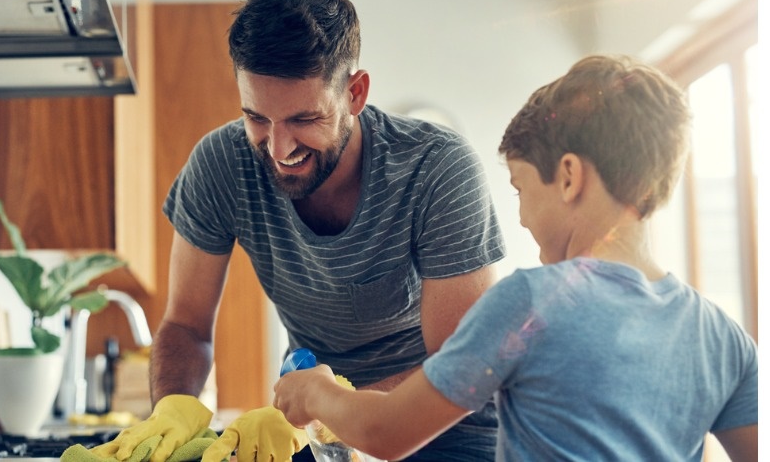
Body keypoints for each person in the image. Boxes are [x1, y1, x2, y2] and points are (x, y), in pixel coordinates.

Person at [92, 0, 505, 462]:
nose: (278, 148)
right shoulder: (221, 164)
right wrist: (172, 412)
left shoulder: (437, 169)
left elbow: (458, 367)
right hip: (317, 433)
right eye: (257, 118)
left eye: (303, 120)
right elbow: (186, 325)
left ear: (355, 93)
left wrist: (330, 407)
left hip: (447, 432)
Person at [273, 54, 759, 462]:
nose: (522, 218)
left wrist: (317, 390)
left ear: (569, 177)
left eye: (521, 188)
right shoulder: (723, 337)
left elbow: (389, 434)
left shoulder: (530, 304)